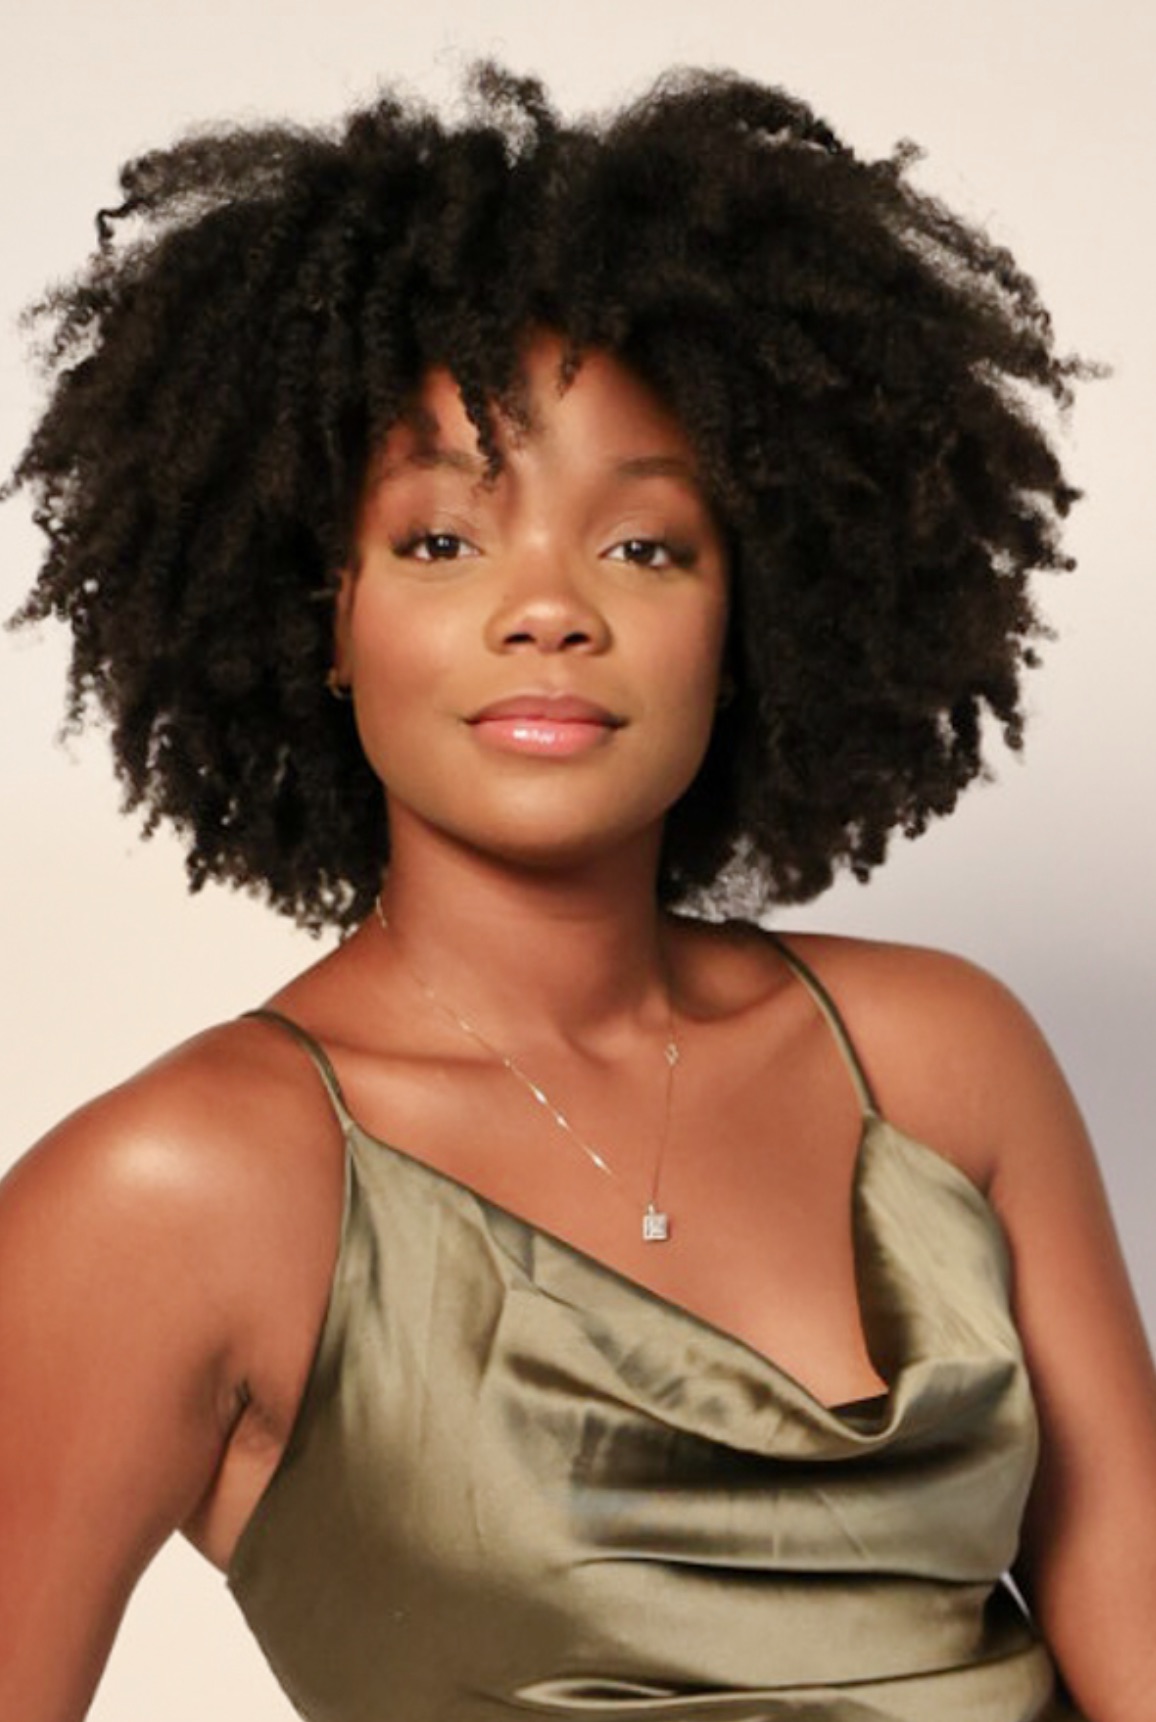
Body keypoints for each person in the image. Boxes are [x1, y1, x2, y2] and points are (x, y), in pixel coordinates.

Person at [1, 61, 1153, 1722]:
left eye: (645, 545)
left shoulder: (943, 1061)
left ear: (748, 619)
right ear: (324, 619)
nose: (550, 609)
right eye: (442, 541)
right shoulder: (173, 1194)